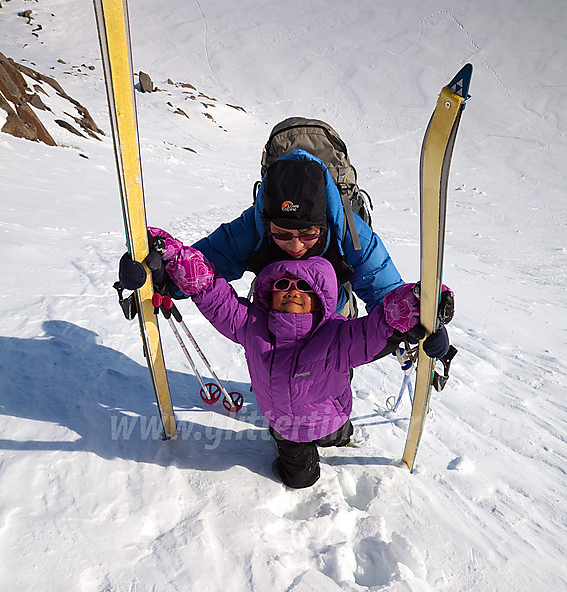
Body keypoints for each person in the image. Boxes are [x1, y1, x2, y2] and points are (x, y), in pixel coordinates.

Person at [119, 232, 449, 488]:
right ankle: (295, 453)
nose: (291, 290)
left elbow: (378, 326)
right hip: (286, 426)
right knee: (300, 480)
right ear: (269, 293)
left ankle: (341, 435)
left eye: (302, 286)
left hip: (329, 416)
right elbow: (211, 292)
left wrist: (418, 303)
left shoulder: (336, 336)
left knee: (337, 435)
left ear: (320, 299)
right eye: (282, 284)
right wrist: (172, 254)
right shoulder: (251, 326)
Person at [160, 151, 405, 319]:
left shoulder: (349, 230)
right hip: (275, 312)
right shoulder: (252, 227)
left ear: (324, 224)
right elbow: (200, 266)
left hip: (332, 315)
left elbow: (383, 290)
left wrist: (410, 320)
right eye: (282, 234)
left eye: (308, 234)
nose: (296, 245)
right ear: (268, 224)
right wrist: (163, 275)